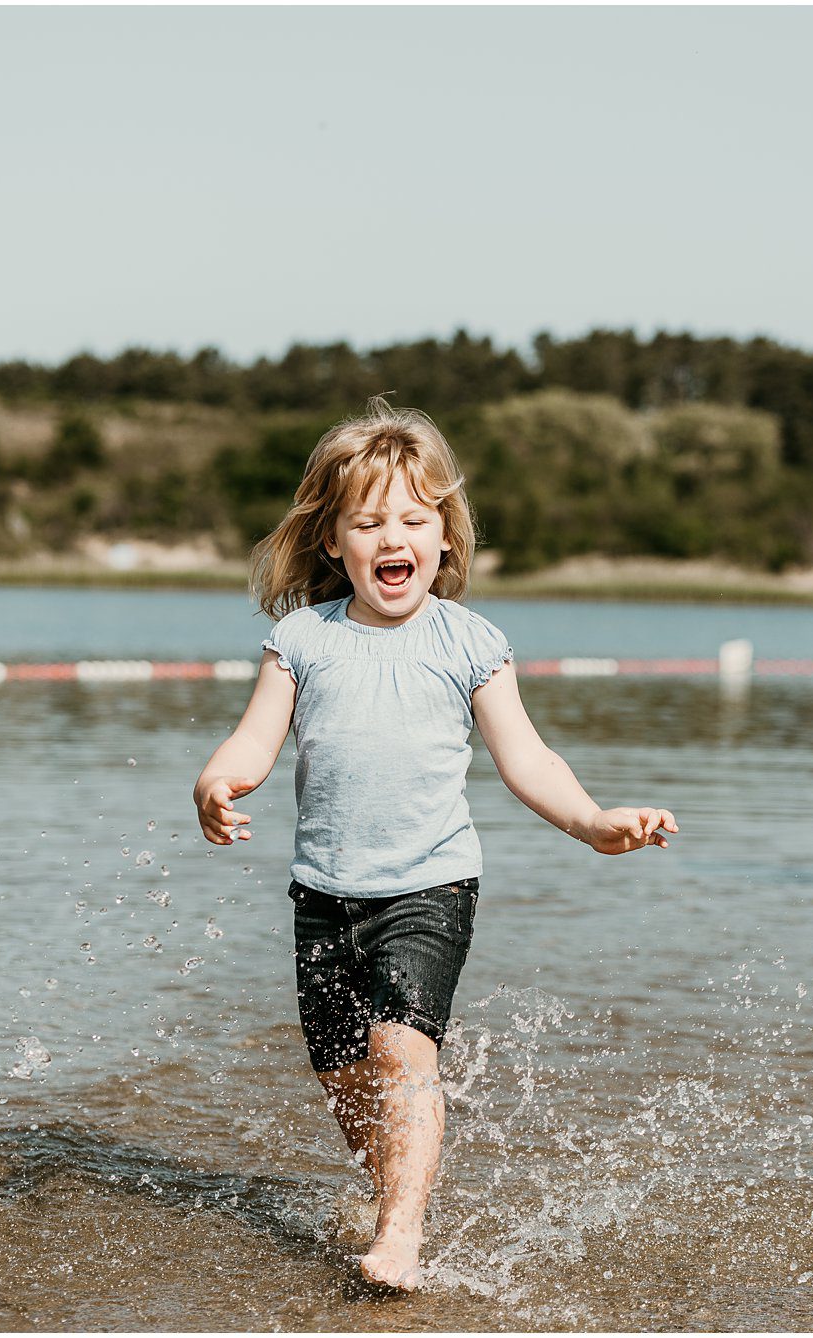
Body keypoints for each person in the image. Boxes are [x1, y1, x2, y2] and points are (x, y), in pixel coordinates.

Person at [192, 398, 677, 1290]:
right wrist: (217, 782)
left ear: (444, 537)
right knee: (343, 1075)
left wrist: (593, 822)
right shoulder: (301, 641)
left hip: (430, 887)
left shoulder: (469, 642)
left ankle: (401, 1234)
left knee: (400, 1049)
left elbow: (528, 759)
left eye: (414, 519)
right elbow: (253, 740)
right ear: (332, 540)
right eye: (369, 522)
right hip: (323, 893)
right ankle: (391, 1196)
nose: (394, 537)